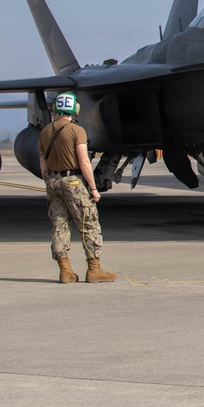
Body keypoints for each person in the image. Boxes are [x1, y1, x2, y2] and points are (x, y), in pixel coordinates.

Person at [37, 92, 117, 284]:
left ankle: (65, 271)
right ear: (75, 109)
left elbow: (43, 165)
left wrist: (50, 182)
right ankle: (94, 270)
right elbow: (84, 162)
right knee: (89, 225)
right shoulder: (77, 130)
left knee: (60, 226)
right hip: (73, 182)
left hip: (53, 183)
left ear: (56, 109)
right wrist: (93, 188)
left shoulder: (45, 131)